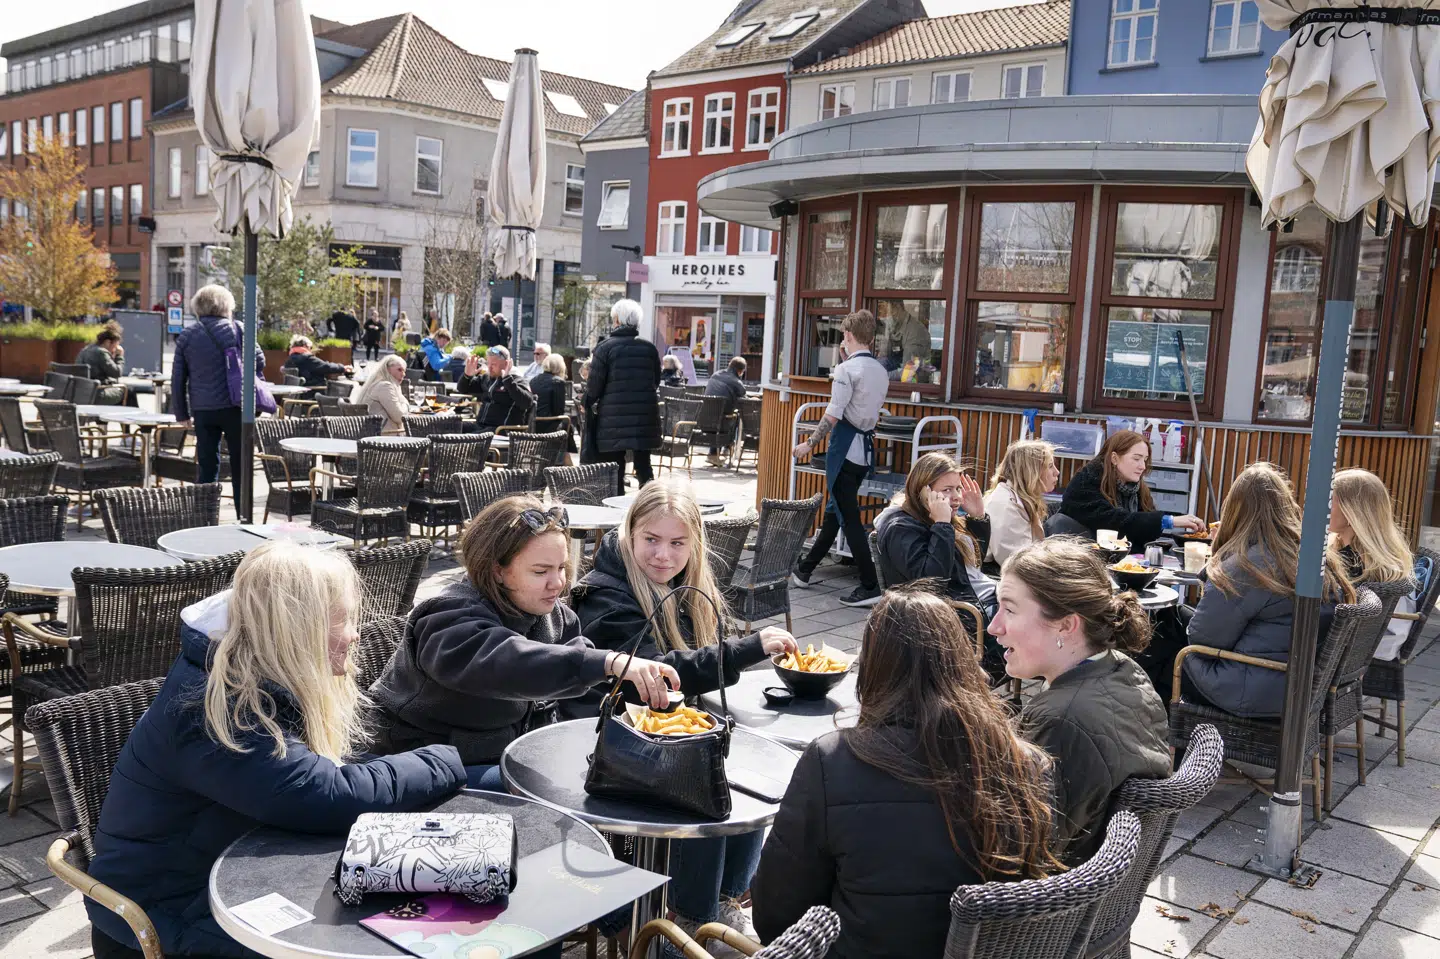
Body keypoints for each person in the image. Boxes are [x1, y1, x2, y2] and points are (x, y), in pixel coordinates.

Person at [85, 542, 466, 958]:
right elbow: (328, 795)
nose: (356, 634)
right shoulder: (214, 709)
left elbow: (326, 775)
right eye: (344, 620)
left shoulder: (253, 670)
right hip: (169, 906)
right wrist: (445, 758)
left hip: (234, 864)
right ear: (295, 628)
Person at [753, 587, 1061, 958]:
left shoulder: (831, 761)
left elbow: (775, 917)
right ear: (961, 661)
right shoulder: (1023, 761)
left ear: (872, 666)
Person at [572, 481, 797, 948]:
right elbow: (661, 674)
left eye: (677, 543)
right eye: (651, 540)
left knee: (739, 783)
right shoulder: (605, 596)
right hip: (600, 751)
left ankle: (722, 907)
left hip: (657, 745)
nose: (662, 555)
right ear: (629, 533)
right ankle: (690, 925)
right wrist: (745, 650)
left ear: (694, 544)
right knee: (705, 795)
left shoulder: (683, 591)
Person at [369, 495, 679, 784]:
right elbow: (507, 662)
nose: (557, 582)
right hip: (419, 766)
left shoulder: (557, 618)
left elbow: (578, 689)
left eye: (561, 568)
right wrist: (608, 661)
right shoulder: (447, 617)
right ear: (498, 571)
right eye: (540, 571)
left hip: (506, 755)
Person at [989, 537, 1171, 863]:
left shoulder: (1061, 721)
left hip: (1039, 906)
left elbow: (1011, 856)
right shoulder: (1121, 669)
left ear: (1066, 625)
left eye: (1010, 609)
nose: (994, 626)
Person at [1180, 463, 1355, 717]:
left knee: (1161, 649)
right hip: (1295, 686)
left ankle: (1181, 747)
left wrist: (1216, 565)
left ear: (1235, 510)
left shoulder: (1246, 566)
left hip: (1250, 688)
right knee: (1172, 619)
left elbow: (1203, 639)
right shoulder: (1312, 556)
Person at [789, 310, 888, 607]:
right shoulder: (881, 370)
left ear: (847, 335)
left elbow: (833, 414)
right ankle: (805, 569)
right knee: (836, 510)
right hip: (863, 450)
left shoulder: (847, 370)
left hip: (845, 448)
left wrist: (808, 443)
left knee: (848, 517)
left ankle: (870, 583)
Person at [171, 285, 266, 505]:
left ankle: (204, 514)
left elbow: (177, 378)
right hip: (236, 407)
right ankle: (243, 514)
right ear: (227, 305)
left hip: (203, 409)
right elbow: (260, 362)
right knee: (240, 463)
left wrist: (181, 413)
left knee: (207, 463)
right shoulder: (240, 329)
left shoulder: (187, 335)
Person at [1331, 468, 1417, 660]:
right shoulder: (1378, 553)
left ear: (1352, 510)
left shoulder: (1361, 564)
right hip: (1371, 648)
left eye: (1330, 501)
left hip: (1356, 655)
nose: (1322, 506)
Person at [1059, 429, 1203, 543]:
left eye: (1145, 460)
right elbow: (1114, 523)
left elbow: (1142, 526)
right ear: (1114, 458)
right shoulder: (1085, 482)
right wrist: (1169, 521)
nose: (1142, 466)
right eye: (1136, 459)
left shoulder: (1136, 489)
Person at [585, 299, 661, 494]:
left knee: (614, 467)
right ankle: (652, 506)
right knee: (644, 465)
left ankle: (616, 509)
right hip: (645, 416)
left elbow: (594, 387)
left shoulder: (605, 348)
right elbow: (656, 381)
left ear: (617, 319)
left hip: (614, 417)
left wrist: (587, 403)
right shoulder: (649, 348)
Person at [984, 440, 1060, 569]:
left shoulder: (1022, 497)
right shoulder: (1005, 505)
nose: (1056, 472)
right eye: (1050, 466)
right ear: (1031, 471)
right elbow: (1013, 562)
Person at [458, 344, 535, 432]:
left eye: (493, 364)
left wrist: (507, 380)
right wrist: (467, 375)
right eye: (488, 363)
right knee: (449, 426)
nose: (489, 368)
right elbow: (463, 389)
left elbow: (527, 402)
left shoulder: (516, 380)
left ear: (506, 364)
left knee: (467, 438)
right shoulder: (486, 378)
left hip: (501, 430)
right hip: (480, 427)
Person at [703, 356, 748, 465]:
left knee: (720, 414)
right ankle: (726, 451)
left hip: (705, 419)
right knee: (735, 417)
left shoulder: (715, 374)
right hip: (723, 424)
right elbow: (743, 395)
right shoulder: (736, 381)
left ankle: (713, 453)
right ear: (740, 371)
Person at [354, 353, 409, 434]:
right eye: (399, 370)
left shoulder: (376, 383)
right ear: (387, 369)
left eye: (404, 371)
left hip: (373, 435)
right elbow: (400, 417)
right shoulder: (385, 386)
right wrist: (406, 404)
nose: (403, 374)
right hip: (386, 438)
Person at [283, 335, 351, 387]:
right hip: (313, 391)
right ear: (305, 346)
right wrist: (343, 368)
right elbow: (325, 367)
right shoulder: (307, 358)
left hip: (299, 393)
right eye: (311, 347)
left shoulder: (290, 359)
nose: (311, 350)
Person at [531, 352, 570, 420]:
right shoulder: (558, 382)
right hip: (549, 423)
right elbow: (559, 410)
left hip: (532, 423)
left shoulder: (534, 380)